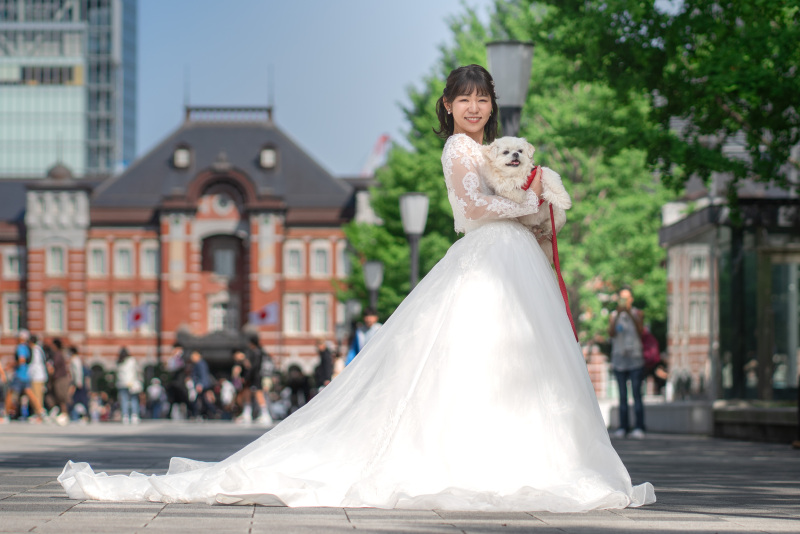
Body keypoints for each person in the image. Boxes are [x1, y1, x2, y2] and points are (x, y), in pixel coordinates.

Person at [59, 64, 654, 511]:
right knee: (477, 359)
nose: (474, 107)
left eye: (482, 98)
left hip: (509, 260)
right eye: (463, 99)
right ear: (447, 108)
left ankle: (523, 457)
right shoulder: (458, 150)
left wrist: (534, 203)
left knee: (511, 363)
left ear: (492, 104)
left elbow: (502, 205)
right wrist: (529, 197)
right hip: (487, 255)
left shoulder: (490, 150)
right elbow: (474, 207)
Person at [608, 286, 646, 439]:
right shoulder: (613, 315)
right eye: (621, 298)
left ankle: (639, 427)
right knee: (622, 395)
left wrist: (629, 313)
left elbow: (641, 331)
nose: (624, 301)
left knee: (637, 394)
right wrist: (618, 314)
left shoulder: (637, 313)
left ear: (631, 299)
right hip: (619, 359)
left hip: (635, 358)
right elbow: (610, 333)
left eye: (626, 298)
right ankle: (623, 426)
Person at [115, 347, 141, 425]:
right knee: (134, 399)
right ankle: (134, 415)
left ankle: (125, 416)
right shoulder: (132, 360)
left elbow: (118, 374)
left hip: (122, 383)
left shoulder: (119, 361)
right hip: (132, 383)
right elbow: (137, 371)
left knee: (124, 400)